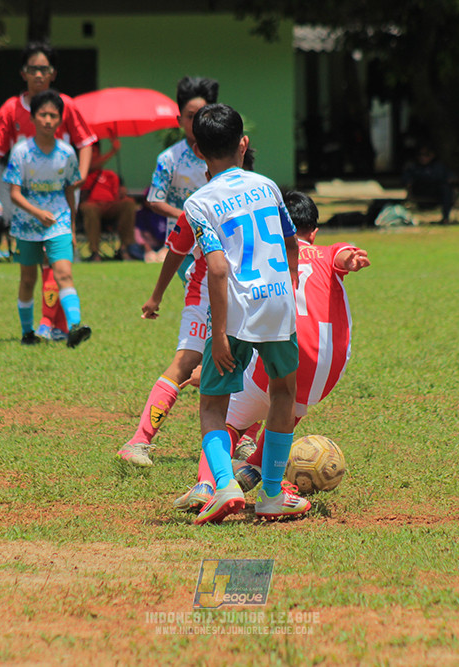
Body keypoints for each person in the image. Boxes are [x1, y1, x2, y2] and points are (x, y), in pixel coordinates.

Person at [173, 191, 370, 510]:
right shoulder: (326, 252)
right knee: (286, 411)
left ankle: (208, 484)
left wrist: (217, 362)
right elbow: (341, 255)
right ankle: (254, 471)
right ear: (314, 233)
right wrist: (351, 258)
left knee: (229, 423)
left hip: (280, 365)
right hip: (325, 377)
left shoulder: (266, 261)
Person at [183, 103, 305, 525]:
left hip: (236, 313)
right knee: (283, 392)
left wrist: (217, 335)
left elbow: (217, 268)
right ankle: (271, 493)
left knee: (213, 405)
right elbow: (291, 246)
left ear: (198, 150)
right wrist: (287, 294)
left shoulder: (199, 202)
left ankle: (225, 485)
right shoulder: (268, 186)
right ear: (243, 144)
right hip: (278, 305)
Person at [116, 145, 256, 468]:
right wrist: (157, 295)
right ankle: (138, 441)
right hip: (205, 293)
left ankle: (242, 438)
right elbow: (176, 251)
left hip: (246, 295)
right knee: (185, 362)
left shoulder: (260, 197)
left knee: (251, 367)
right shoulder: (199, 204)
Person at [0, 41, 95, 221]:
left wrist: (80, 177)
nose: (38, 75)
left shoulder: (66, 105)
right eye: (32, 69)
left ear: (53, 74)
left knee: (60, 242)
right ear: (23, 73)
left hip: (60, 190)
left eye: (44, 70)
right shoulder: (10, 109)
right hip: (24, 193)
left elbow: (85, 142)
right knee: (28, 245)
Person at [4, 89, 91, 349]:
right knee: (28, 278)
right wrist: (37, 212)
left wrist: (72, 226)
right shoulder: (21, 152)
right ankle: (27, 331)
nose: (48, 120)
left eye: (53, 115)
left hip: (59, 221)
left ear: (60, 120)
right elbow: (14, 193)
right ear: (33, 118)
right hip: (27, 224)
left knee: (64, 274)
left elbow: (69, 191)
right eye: (43, 114)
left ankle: (75, 327)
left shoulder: (67, 153)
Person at [145, 76, 218, 280]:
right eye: (190, 116)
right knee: (198, 294)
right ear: (179, 120)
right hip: (184, 244)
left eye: (201, 115)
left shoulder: (222, 152)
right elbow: (154, 200)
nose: (196, 122)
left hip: (220, 239)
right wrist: (188, 218)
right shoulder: (169, 158)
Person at [79, 139, 137, 261]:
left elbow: (116, 196)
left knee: (128, 203)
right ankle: (95, 252)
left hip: (110, 207)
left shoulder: (110, 175)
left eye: (94, 152)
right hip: (92, 207)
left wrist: (121, 194)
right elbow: (91, 165)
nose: (91, 155)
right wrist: (113, 151)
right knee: (89, 208)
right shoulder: (82, 175)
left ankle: (126, 247)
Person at [400, 145, 454, 225]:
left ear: (432, 155)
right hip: (419, 191)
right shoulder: (413, 167)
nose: (423, 157)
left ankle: (445, 218)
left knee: (446, 189)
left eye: (426, 155)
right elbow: (406, 179)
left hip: (436, 193)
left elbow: (450, 178)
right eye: (420, 155)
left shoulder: (439, 167)